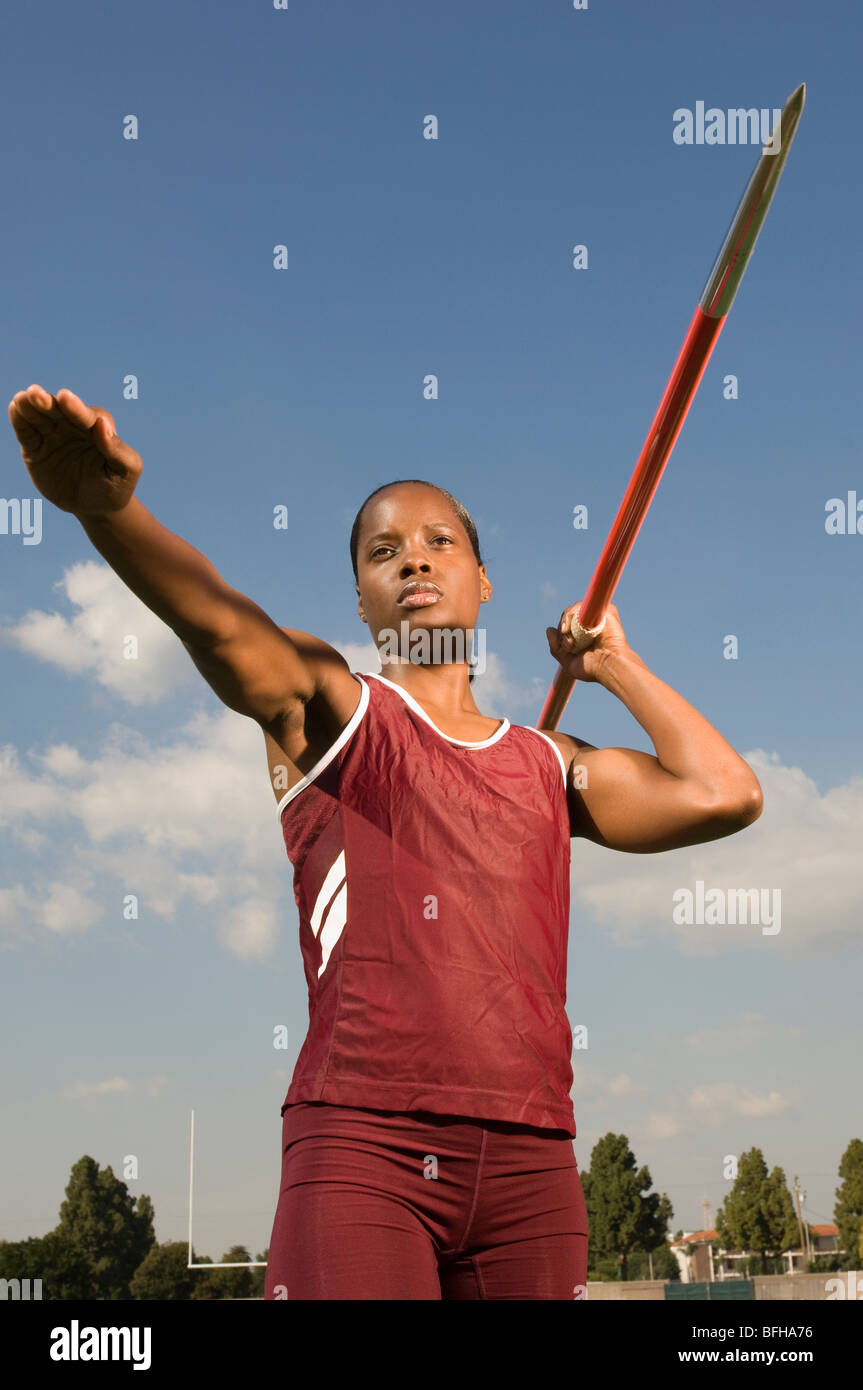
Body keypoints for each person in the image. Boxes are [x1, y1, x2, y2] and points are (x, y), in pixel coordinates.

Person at [9, 384, 764, 1300]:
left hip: (533, 1161)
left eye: (441, 542)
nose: (414, 559)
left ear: (483, 580)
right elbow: (217, 621)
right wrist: (112, 513)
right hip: (365, 1145)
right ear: (361, 601)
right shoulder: (336, 708)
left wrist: (610, 663)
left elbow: (723, 794)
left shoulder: (546, 762)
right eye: (384, 550)